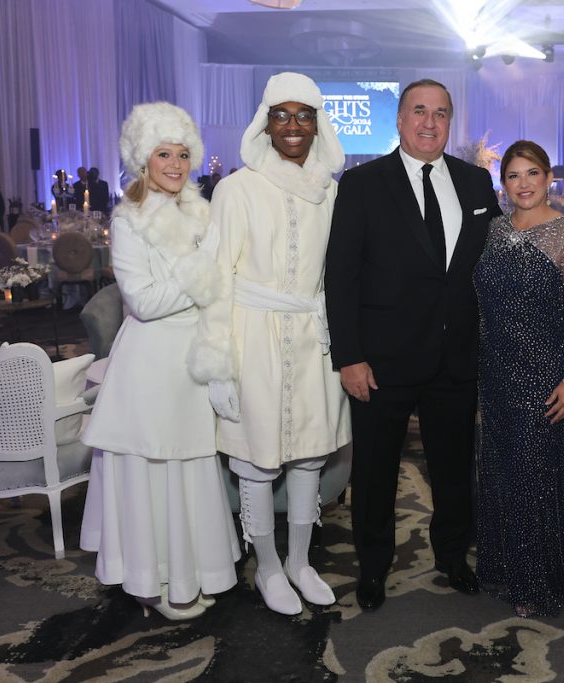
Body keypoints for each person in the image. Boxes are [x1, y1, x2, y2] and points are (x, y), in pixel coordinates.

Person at [325, 78, 502, 611]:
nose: (430, 122)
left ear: (451, 122)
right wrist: (349, 356)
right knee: (375, 472)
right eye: (419, 111)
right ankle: (374, 567)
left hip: (455, 357)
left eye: (441, 113)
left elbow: (488, 267)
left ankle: (452, 556)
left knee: (453, 467)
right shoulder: (362, 184)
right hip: (381, 360)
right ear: (399, 121)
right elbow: (342, 276)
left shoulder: (476, 184)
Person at [197, 72, 350, 616]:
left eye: (304, 114)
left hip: (312, 336)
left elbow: (339, 272)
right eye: (281, 114)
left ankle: (300, 562)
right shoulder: (237, 188)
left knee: (308, 458)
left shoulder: (331, 192)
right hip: (251, 337)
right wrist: (216, 364)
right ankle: (266, 566)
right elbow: (215, 277)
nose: (293, 125)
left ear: (317, 124)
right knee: (257, 463)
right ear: (265, 121)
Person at [79, 102, 240, 620]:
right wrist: (202, 271)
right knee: (154, 474)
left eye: (183, 153)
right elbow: (143, 302)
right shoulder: (128, 219)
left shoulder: (200, 210)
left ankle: (186, 574)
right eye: (163, 153)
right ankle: (151, 584)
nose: (175, 164)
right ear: (141, 158)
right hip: (150, 367)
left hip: (191, 362)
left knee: (187, 472)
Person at [473, 140, 564, 617]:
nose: (522, 184)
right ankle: (504, 569)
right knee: (501, 469)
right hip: (495, 369)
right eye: (512, 176)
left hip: (545, 373)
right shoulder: (492, 231)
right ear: (503, 184)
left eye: (531, 174)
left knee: (536, 476)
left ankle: (539, 580)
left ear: (548, 178)